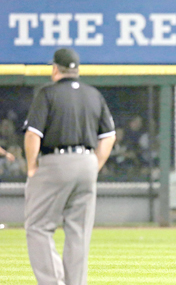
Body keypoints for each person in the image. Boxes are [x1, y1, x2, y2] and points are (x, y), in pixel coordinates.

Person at [23, 48, 116, 285]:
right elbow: (109, 136)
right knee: (79, 232)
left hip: (55, 162)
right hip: (86, 162)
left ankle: (54, 282)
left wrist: (32, 166)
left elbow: (33, 134)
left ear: (55, 69)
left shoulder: (47, 93)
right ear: (77, 70)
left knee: (38, 227)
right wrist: (95, 163)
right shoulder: (93, 94)